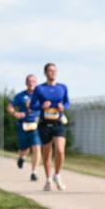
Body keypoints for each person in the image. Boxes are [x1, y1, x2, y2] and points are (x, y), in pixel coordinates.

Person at [33, 63, 70, 191]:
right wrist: (41, 107)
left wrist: (63, 107)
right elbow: (32, 105)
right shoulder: (40, 89)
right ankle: (48, 179)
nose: (52, 73)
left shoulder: (62, 87)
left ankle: (57, 175)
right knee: (47, 153)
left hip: (58, 123)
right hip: (44, 124)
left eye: (54, 71)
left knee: (60, 150)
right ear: (45, 73)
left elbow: (67, 103)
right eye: (50, 71)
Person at [8, 74, 42, 182]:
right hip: (23, 125)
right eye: (29, 81)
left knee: (36, 147)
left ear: (36, 83)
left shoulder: (40, 96)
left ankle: (34, 172)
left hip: (35, 125)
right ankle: (21, 158)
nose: (31, 83)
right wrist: (15, 113)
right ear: (26, 83)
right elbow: (9, 106)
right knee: (24, 148)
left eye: (33, 81)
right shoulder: (20, 96)